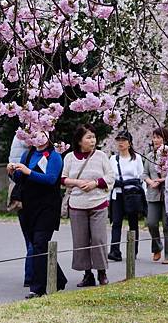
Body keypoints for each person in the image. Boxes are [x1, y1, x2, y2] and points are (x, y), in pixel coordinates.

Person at [8, 132, 67, 299]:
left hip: (47, 208)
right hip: (29, 207)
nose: (38, 138)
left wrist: (28, 172)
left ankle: (38, 288)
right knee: (36, 245)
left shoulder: (54, 156)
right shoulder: (28, 154)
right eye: (34, 134)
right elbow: (20, 179)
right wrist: (13, 171)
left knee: (40, 244)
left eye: (42, 134)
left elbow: (51, 179)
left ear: (49, 135)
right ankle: (59, 279)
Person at [62, 123, 115, 287]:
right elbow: (62, 179)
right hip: (77, 204)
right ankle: (87, 275)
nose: (93, 141)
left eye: (94, 137)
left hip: (98, 203)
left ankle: (102, 272)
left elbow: (111, 177)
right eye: (88, 137)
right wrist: (78, 183)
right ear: (79, 141)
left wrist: (94, 183)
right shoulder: (69, 157)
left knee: (99, 239)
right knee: (81, 241)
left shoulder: (101, 156)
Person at [142, 127, 168, 265]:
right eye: (154, 137)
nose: (156, 140)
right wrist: (149, 182)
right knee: (151, 223)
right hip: (153, 195)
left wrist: (163, 180)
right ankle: (157, 247)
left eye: (159, 137)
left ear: (165, 139)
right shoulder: (149, 156)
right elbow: (144, 174)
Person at [108, 130, 146, 262]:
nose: (121, 143)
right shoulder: (113, 159)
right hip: (117, 194)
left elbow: (141, 177)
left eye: (123, 140)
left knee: (133, 224)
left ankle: (133, 250)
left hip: (132, 194)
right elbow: (110, 178)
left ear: (129, 143)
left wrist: (143, 196)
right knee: (116, 222)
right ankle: (114, 251)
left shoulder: (137, 158)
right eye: (118, 140)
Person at [7, 135, 34, 287]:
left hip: (18, 192)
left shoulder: (17, 136)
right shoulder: (31, 141)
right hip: (30, 193)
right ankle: (31, 275)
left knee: (29, 238)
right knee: (36, 238)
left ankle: (31, 273)